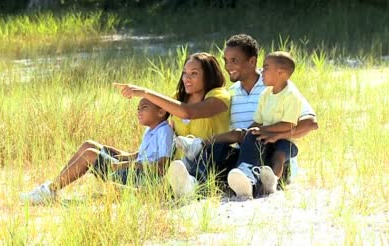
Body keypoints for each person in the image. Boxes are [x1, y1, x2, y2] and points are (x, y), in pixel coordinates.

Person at [169, 34, 318, 197]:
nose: (228, 66)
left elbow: (310, 123)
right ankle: (194, 184)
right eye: (225, 60)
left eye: (234, 60)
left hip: (271, 157)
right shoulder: (230, 94)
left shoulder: (277, 88)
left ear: (252, 61)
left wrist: (273, 134)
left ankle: (250, 179)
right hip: (244, 154)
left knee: (254, 138)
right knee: (220, 145)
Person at [114, 52, 230, 198]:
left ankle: (152, 192)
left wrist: (145, 92)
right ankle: (143, 191)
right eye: (184, 73)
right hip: (177, 164)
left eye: (194, 74)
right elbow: (161, 122)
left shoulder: (219, 96)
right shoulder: (178, 97)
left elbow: (187, 112)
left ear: (208, 76)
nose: (186, 78)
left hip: (209, 157)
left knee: (196, 167)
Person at [20, 98, 174, 205]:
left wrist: (124, 165)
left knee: (90, 154)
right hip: (132, 169)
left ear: (161, 112)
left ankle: (50, 190)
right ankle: (51, 187)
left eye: (144, 108)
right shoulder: (150, 130)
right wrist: (118, 155)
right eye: (138, 109)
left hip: (141, 178)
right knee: (89, 144)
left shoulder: (164, 131)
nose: (139, 112)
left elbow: (162, 166)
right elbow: (139, 155)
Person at [227, 51, 305, 199]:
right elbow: (258, 121)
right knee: (250, 140)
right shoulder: (266, 94)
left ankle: (272, 182)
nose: (262, 71)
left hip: (284, 140)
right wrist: (248, 131)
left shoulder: (291, 95)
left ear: (280, 72)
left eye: (266, 68)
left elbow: (288, 125)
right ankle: (246, 179)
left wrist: (263, 130)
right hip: (266, 138)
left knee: (279, 155)